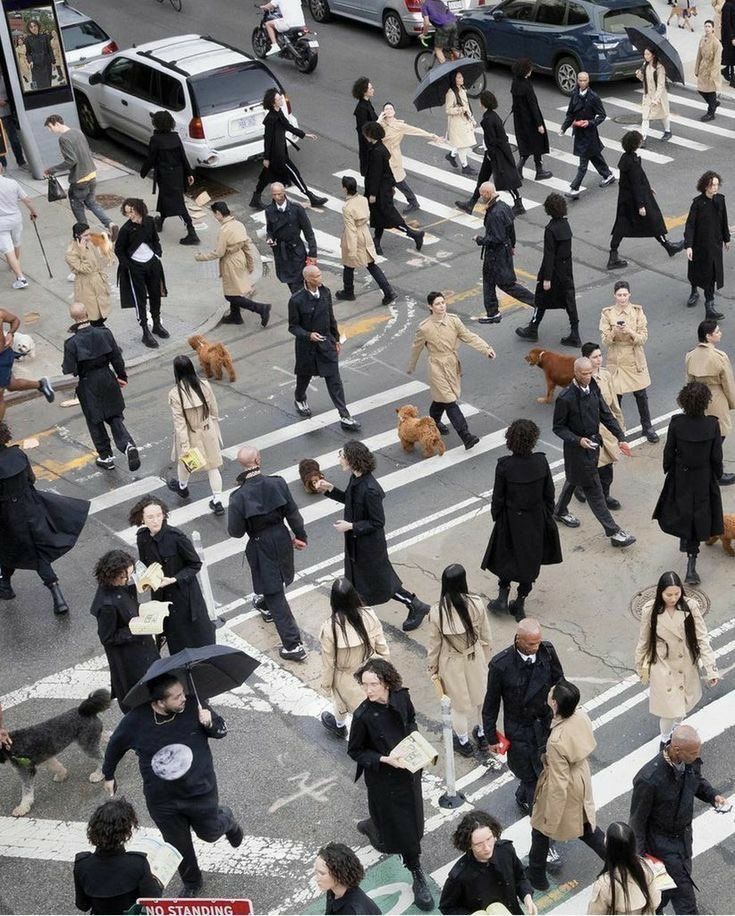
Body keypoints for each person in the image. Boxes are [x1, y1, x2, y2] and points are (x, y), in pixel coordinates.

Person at [102, 674, 243, 899]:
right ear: (159, 702)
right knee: (178, 846)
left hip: (200, 792)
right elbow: (115, 746)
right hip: (163, 801)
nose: (183, 699)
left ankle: (227, 819)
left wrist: (211, 723)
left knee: (209, 833)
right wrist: (108, 774)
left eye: (182, 692)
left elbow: (222, 731)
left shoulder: (195, 706)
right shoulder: (135, 721)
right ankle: (192, 882)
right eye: (176, 697)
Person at [315, 440, 431, 630]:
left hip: (369, 548)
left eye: (342, 456)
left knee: (381, 585)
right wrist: (330, 489)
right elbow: (350, 501)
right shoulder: (356, 478)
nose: (339, 460)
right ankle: (359, 618)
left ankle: (415, 606)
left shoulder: (370, 489)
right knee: (360, 585)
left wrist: (351, 526)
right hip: (356, 543)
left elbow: (378, 522)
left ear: (352, 459)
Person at [347, 658, 434, 912]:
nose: (368, 690)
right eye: (364, 685)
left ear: (386, 682)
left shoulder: (401, 697)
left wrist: (416, 745)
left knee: (410, 819)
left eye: (373, 684)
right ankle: (416, 871)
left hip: (409, 772)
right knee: (404, 827)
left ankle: (374, 828)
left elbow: (412, 720)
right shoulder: (363, 715)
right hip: (384, 779)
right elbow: (355, 751)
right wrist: (385, 759)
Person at [629, 724, 728, 915]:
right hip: (660, 848)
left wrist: (713, 796)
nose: (696, 756)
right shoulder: (649, 779)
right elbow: (637, 822)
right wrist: (639, 860)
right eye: (693, 753)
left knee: (664, 893)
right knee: (685, 903)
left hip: (683, 841)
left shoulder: (689, 760)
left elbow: (696, 781)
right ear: (676, 750)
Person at [228, 445, 308, 662]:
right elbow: (292, 512)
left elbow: (235, 532)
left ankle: (293, 645)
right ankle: (264, 605)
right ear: (258, 459)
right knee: (276, 580)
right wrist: (300, 536)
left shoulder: (238, 497)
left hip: (260, 542)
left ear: (241, 464)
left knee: (274, 592)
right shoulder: (278, 482)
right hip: (282, 537)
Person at [0, 421, 88, 614]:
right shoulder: (18, 454)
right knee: (37, 554)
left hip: (7, 519)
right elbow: (31, 479)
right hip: (32, 511)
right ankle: (54, 596)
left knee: (7, 552)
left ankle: (7, 585)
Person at [528, 679, 605, 891]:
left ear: (554, 704)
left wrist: (550, 819)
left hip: (567, 784)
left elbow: (558, 785)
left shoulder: (556, 741)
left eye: (552, 693)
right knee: (587, 826)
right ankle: (616, 861)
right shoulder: (580, 715)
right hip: (581, 774)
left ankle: (537, 876)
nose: (549, 692)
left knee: (540, 829)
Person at [482, 619, 564, 816]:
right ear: (518, 639)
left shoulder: (547, 651)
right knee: (530, 777)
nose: (536, 648)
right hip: (520, 730)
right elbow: (491, 703)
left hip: (545, 724)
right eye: (531, 644)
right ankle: (538, 819)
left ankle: (523, 796)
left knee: (546, 769)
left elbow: (559, 680)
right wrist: (491, 737)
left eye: (538, 642)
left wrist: (565, 710)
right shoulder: (501, 666)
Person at [482, 419, 561, 620]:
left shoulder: (505, 466)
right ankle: (520, 602)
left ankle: (502, 597)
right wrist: (546, 516)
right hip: (535, 519)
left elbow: (498, 498)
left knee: (507, 556)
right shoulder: (541, 462)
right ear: (533, 440)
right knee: (530, 561)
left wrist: (498, 518)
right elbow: (549, 493)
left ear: (510, 440)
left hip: (510, 520)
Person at [552, 356, 636, 547]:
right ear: (575, 373)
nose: (588, 377)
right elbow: (558, 428)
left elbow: (605, 414)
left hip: (593, 445)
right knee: (594, 490)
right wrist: (577, 440)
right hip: (577, 450)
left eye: (590, 373)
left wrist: (621, 437)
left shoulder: (594, 388)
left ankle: (558, 512)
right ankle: (614, 532)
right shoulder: (565, 398)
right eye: (584, 374)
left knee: (573, 479)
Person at [634, 571, 718, 744]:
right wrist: (640, 667)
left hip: (685, 662)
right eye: (668, 595)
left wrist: (711, 669)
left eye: (677, 593)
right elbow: (644, 640)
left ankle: (675, 731)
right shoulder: (650, 611)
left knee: (682, 708)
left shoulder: (690, 606)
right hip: (662, 665)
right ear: (660, 593)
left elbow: (702, 638)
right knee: (668, 711)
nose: (673, 598)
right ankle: (665, 739)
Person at [653, 382, 724, 585]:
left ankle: (685, 540)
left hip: (681, 475)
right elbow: (716, 457)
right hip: (703, 477)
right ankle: (691, 566)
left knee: (682, 510)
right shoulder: (712, 425)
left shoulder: (677, 423)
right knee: (698, 516)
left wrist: (668, 469)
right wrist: (716, 476)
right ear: (705, 402)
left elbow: (669, 450)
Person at [407, 291, 495, 448]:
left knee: (441, 400)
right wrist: (411, 366)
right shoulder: (425, 328)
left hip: (452, 363)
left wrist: (486, 348)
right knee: (449, 400)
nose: (442, 306)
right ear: (430, 306)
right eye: (437, 304)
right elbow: (416, 347)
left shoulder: (454, 321)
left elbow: (468, 336)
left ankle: (434, 421)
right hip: (436, 366)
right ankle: (466, 436)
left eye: (443, 302)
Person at [130, 496, 216, 654]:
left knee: (195, 637)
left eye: (159, 515)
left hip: (183, 596)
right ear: (142, 519)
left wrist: (175, 579)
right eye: (150, 517)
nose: (156, 520)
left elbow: (195, 564)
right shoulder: (142, 538)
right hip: (160, 596)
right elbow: (144, 564)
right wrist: (143, 579)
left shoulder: (176, 537)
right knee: (174, 640)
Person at [61, 302, 139, 472]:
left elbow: (69, 369)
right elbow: (116, 357)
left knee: (95, 421)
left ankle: (106, 457)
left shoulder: (71, 343)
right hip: (107, 376)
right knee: (114, 416)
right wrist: (122, 376)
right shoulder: (104, 332)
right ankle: (127, 445)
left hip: (88, 382)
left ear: (72, 317)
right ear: (87, 313)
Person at [427, 564, 492, 757]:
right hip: (474, 655)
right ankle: (482, 734)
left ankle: (463, 742)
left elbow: (434, 645)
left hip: (451, 662)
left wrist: (433, 669)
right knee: (481, 699)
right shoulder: (476, 603)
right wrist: (486, 657)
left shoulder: (437, 612)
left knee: (458, 706)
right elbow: (486, 635)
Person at [288, 264, 361, 429]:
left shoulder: (325, 292)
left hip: (326, 343)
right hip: (307, 347)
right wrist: (308, 335)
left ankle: (345, 416)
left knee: (335, 380)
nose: (320, 279)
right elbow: (293, 326)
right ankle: (300, 398)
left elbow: (330, 318)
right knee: (304, 376)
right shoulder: (296, 300)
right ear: (307, 279)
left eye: (320, 275)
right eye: (316, 277)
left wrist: (336, 339)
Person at [319, 577, 389, 739]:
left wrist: (326, 685)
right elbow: (381, 643)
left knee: (342, 703)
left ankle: (339, 725)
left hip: (345, 675)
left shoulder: (329, 628)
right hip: (371, 668)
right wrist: (385, 666)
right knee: (375, 704)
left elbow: (328, 663)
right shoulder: (369, 614)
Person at [90, 550, 159, 713]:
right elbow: (107, 638)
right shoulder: (107, 605)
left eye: (130, 575)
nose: (127, 580)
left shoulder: (115, 586)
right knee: (141, 696)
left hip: (141, 648)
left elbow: (124, 594)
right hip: (130, 659)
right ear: (112, 575)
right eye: (124, 577)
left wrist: (139, 585)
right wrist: (135, 628)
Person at [607, 131, 684, 269]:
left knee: (621, 226)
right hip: (637, 199)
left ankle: (613, 255)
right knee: (654, 221)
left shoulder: (626, 158)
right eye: (640, 141)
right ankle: (668, 246)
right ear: (635, 144)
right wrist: (641, 205)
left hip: (626, 200)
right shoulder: (633, 162)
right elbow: (636, 184)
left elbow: (639, 179)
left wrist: (648, 188)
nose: (641, 142)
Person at [74, 798, 162, 914]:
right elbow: (153, 899)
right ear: (126, 832)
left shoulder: (82, 865)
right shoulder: (137, 864)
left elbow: (83, 905)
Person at [439, 811, 537, 916]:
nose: (487, 848)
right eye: (478, 844)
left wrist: (527, 897)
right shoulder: (460, 875)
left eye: (489, 839)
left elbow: (520, 877)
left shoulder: (506, 851)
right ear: (469, 845)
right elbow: (447, 907)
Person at [515, 192, 580, 346]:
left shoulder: (550, 229)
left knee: (541, 299)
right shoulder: (566, 225)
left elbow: (549, 255)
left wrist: (547, 278)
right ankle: (575, 333)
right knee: (569, 300)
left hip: (553, 272)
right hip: (566, 271)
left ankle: (533, 328)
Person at [600, 280, 658, 443]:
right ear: (614, 296)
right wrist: (614, 331)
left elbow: (643, 338)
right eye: (619, 295)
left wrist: (629, 331)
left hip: (633, 357)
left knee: (641, 394)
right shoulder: (607, 313)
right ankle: (617, 430)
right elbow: (605, 341)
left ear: (629, 295)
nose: (622, 298)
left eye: (625, 295)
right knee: (615, 397)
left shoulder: (637, 312)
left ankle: (647, 427)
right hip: (616, 359)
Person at [165, 355, 225, 514]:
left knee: (184, 462)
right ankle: (218, 501)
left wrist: (184, 446)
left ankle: (183, 487)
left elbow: (180, 423)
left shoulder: (175, 394)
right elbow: (213, 408)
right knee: (213, 467)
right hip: (207, 429)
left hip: (190, 434)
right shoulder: (204, 385)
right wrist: (212, 420)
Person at [195, 201, 270, 326]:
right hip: (240, 259)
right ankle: (235, 316)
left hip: (230, 263)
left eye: (214, 214)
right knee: (234, 290)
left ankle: (261, 308)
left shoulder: (224, 230)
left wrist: (200, 257)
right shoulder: (238, 224)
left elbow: (219, 253)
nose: (214, 217)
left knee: (230, 295)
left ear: (218, 213)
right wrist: (250, 262)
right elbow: (246, 245)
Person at [249, 90, 327, 210]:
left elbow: (288, 126)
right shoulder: (270, 119)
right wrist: (266, 158)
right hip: (277, 155)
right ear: (273, 103)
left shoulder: (279, 112)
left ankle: (256, 199)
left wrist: (305, 134)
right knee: (295, 174)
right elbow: (268, 139)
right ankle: (311, 197)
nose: (281, 100)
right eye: (279, 99)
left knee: (266, 176)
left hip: (280, 151)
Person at [44, 115, 118, 237]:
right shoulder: (78, 132)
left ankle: (84, 235)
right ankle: (110, 224)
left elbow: (71, 160)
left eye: (50, 127)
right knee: (92, 202)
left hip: (79, 180)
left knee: (77, 208)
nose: (50, 131)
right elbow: (87, 151)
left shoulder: (63, 139)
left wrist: (51, 170)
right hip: (92, 175)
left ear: (56, 123)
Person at [475, 181, 536, 324]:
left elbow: (496, 238)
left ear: (487, 194)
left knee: (506, 284)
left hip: (496, 255)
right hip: (504, 250)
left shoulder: (495, 213)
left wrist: (480, 240)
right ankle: (492, 311)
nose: (480, 198)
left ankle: (537, 302)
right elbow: (510, 229)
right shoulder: (504, 207)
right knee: (490, 281)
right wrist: (512, 245)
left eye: (481, 195)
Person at [456, 91, 524, 216]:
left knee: (506, 179)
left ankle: (519, 204)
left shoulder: (488, 119)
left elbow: (492, 140)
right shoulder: (493, 115)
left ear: (483, 102)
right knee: (483, 178)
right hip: (494, 153)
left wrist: (490, 155)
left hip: (495, 154)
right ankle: (471, 203)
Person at [575, 342, 626, 510]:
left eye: (599, 356)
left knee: (607, 465)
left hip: (607, 428)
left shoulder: (606, 375)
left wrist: (620, 426)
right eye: (594, 357)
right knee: (591, 465)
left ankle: (605, 495)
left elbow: (613, 404)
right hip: (590, 429)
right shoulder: (581, 381)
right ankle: (579, 486)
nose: (598, 360)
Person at [362, 121, 424, 255]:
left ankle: (414, 234)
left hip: (380, 191)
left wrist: (372, 194)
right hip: (382, 189)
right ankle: (377, 242)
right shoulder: (378, 148)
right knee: (378, 216)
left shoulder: (377, 152)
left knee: (390, 217)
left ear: (371, 135)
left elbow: (376, 174)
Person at [686, 319, 735, 484]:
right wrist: (732, 402)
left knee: (704, 437)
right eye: (717, 331)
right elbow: (728, 383)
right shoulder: (719, 357)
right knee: (718, 437)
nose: (720, 333)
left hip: (698, 398)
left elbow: (688, 381)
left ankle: (703, 471)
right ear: (708, 336)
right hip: (716, 398)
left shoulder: (690, 355)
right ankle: (717, 474)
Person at [115, 198, 168, 349]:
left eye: (131, 211)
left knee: (156, 294)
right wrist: (129, 266)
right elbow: (119, 250)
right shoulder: (126, 229)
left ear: (139, 209)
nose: (129, 215)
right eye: (127, 213)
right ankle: (145, 331)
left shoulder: (149, 221)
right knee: (140, 301)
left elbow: (155, 240)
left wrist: (158, 254)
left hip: (152, 263)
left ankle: (156, 324)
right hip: (136, 267)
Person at [140, 110, 198, 246]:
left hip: (165, 175)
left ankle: (192, 232)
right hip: (177, 174)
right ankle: (160, 221)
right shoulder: (175, 137)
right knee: (167, 197)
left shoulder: (155, 140)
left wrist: (143, 172)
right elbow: (183, 156)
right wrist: (189, 173)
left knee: (178, 203)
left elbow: (151, 158)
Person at [336, 175, 395, 306]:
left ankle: (348, 291)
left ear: (344, 188)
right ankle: (388, 291)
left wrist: (351, 250)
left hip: (355, 236)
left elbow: (351, 230)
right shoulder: (363, 199)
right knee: (371, 264)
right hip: (365, 233)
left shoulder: (347, 207)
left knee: (348, 265)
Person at [560, 72, 615, 199]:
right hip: (579, 133)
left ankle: (574, 188)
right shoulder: (574, 95)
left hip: (589, 133)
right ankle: (608, 175)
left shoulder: (593, 97)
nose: (582, 82)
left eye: (585, 80)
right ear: (577, 81)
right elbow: (570, 114)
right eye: (580, 80)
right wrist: (564, 127)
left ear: (588, 81)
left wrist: (590, 123)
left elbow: (602, 115)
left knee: (583, 164)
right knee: (595, 155)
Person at [586, 822, 660, 915]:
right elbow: (655, 902)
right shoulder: (646, 867)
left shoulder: (605, 884)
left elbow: (594, 913)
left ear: (608, 847)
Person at [684, 170, 730, 318]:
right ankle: (694, 290)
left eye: (717, 184)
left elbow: (724, 220)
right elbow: (690, 225)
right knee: (696, 270)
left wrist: (726, 239)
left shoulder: (720, 200)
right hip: (699, 245)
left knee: (711, 274)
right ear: (705, 186)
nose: (715, 188)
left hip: (715, 245)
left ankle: (709, 306)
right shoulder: (697, 203)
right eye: (712, 185)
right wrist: (689, 245)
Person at [377, 101, 437, 215]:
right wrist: (379, 119)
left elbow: (415, 130)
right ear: (383, 112)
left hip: (393, 157)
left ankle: (413, 202)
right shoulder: (381, 124)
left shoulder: (399, 125)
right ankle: (389, 201)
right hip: (382, 157)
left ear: (394, 112)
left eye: (390, 108)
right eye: (386, 109)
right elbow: (372, 131)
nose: (388, 110)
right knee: (385, 180)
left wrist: (431, 136)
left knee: (398, 181)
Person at [0, 308, 54, 422]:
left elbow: (15, 320)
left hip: (2, 358)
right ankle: (41, 384)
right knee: (11, 385)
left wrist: (10, 333)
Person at [265, 182, 318, 295]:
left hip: (296, 251)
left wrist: (313, 253)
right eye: (274, 194)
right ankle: (301, 303)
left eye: (279, 194)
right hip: (281, 252)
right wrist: (269, 238)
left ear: (284, 193)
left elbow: (308, 232)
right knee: (290, 282)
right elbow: (270, 229)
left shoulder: (296, 209)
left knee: (298, 284)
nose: (277, 197)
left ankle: (302, 305)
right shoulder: (269, 210)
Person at [0, 159, 38, 289]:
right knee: (16, 242)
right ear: (2, 169)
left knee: (7, 250)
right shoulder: (12, 183)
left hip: (1, 223)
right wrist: (33, 212)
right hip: (15, 218)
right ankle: (15, 264)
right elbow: (27, 200)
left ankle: (21, 278)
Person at [65, 223, 113, 326]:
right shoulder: (71, 253)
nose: (89, 237)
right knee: (92, 315)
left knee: (102, 314)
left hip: (97, 281)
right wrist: (82, 252)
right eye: (85, 235)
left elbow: (98, 261)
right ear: (77, 236)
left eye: (89, 234)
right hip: (86, 286)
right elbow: (86, 268)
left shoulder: (89, 244)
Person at [315, 842, 381, 915]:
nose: (316, 878)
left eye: (322, 873)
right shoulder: (333, 890)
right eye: (316, 872)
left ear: (339, 875)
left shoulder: (352, 911)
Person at [444, 71, 476, 176]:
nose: (462, 78)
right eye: (459, 77)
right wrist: (460, 109)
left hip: (465, 120)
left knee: (463, 142)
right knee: (463, 144)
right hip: (457, 122)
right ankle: (465, 166)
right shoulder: (451, 93)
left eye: (462, 76)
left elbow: (467, 106)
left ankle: (452, 155)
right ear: (454, 80)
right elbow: (448, 110)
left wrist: (472, 119)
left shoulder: (462, 90)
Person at [636, 48, 672, 144]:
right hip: (648, 95)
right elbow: (644, 80)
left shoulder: (660, 68)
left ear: (653, 55)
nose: (645, 56)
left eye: (648, 54)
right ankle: (643, 139)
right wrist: (639, 75)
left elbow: (661, 85)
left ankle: (668, 131)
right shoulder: (645, 65)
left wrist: (656, 99)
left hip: (658, 96)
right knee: (645, 117)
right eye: (645, 54)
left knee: (663, 114)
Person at [695, 21, 723, 120]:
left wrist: (713, 75)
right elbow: (699, 55)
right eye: (705, 26)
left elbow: (717, 61)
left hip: (711, 70)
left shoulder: (717, 43)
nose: (707, 28)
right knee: (701, 90)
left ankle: (711, 113)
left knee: (710, 92)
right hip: (703, 68)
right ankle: (714, 103)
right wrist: (696, 69)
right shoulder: (702, 39)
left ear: (713, 29)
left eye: (709, 26)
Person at [0, 73, 27, 169]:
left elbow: (13, 95)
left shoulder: (5, 79)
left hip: (7, 114)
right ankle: (2, 165)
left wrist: (6, 102)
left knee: (14, 139)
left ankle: (21, 162)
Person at [352, 77, 377, 178]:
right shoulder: (361, 108)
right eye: (370, 88)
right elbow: (364, 129)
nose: (373, 89)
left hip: (372, 143)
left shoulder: (367, 103)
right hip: (368, 146)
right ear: (364, 91)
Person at [421, 0, 459, 64]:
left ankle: (446, 71)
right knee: (453, 48)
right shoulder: (439, 2)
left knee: (438, 49)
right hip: (454, 24)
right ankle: (462, 67)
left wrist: (424, 34)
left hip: (444, 26)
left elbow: (426, 23)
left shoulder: (425, 5)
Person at [25, 20, 53, 90]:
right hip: (35, 65)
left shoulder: (45, 36)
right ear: (29, 29)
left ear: (38, 26)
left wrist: (53, 61)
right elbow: (28, 53)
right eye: (31, 27)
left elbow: (50, 50)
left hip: (46, 63)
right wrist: (30, 61)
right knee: (37, 86)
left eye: (35, 26)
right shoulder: (28, 39)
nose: (33, 28)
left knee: (48, 84)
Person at [724, 0, 735, 84]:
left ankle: (727, 71)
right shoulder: (728, 5)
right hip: (730, 37)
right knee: (731, 57)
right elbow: (727, 23)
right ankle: (732, 80)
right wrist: (732, 37)